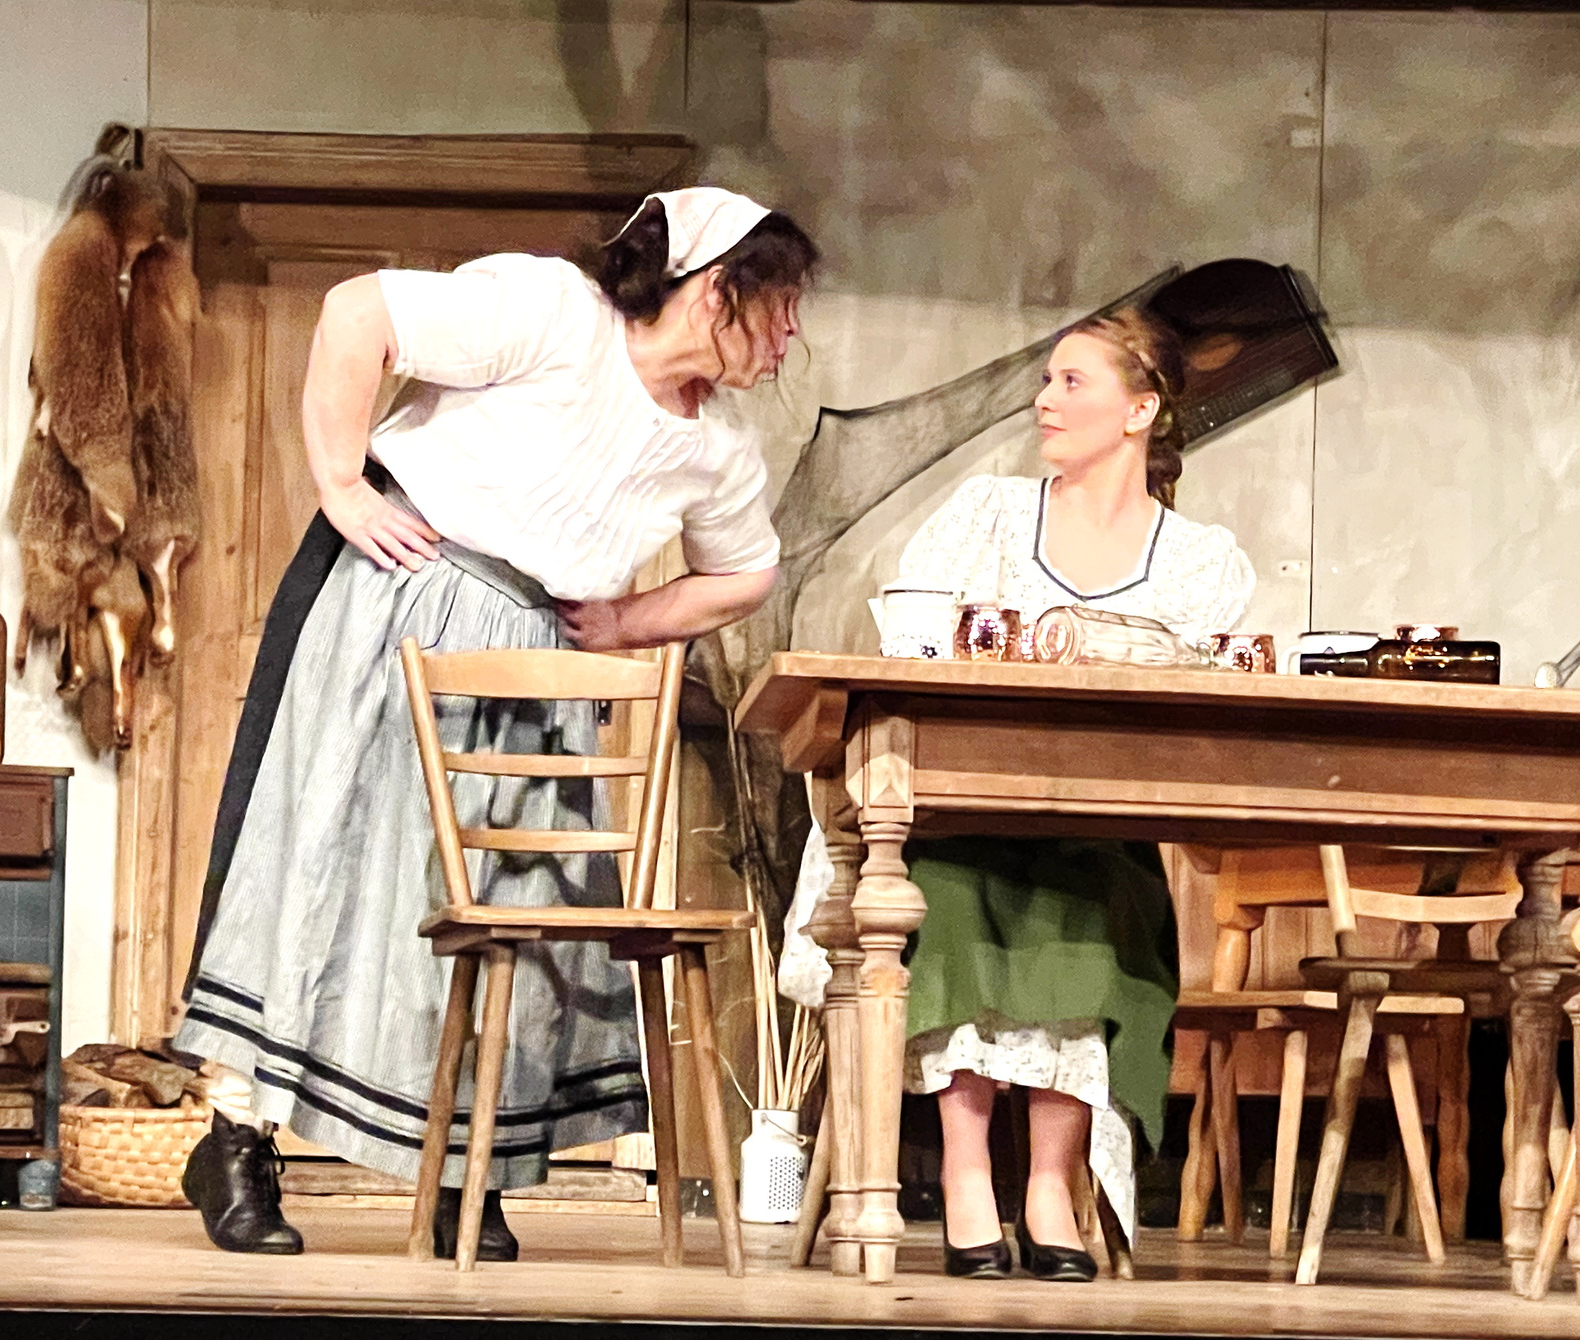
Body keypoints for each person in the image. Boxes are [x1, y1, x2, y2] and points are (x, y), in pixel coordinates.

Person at [172, 188, 818, 1259]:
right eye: (782, 305)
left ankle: (463, 1170)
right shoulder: (556, 313)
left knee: (510, 910)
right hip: (398, 605)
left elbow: (746, 572)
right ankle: (236, 1140)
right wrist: (341, 484)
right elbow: (358, 314)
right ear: (716, 291)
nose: (791, 335)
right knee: (326, 862)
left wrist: (624, 623)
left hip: (533, 665)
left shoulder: (719, 450)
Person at [786, 307, 1254, 1280]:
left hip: (1095, 825)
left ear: (1140, 409)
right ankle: (967, 1177)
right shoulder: (987, 516)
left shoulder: (1200, 560)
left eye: (1072, 382)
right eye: (1046, 380)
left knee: (1104, 896)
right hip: (958, 816)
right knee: (946, 891)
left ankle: (1049, 1186)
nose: (1046, 400)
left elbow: (1206, 698)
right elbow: (912, 646)